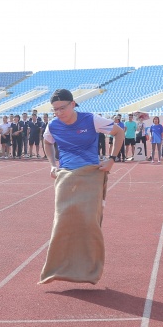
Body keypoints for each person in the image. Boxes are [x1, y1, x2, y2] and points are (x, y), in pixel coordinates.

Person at [38, 89, 124, 285]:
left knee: (89, 222)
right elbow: (47, 142)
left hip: (91, 174)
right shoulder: (53, 125)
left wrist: (111, 159)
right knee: (62, 221)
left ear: (73, 104)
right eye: (55, 109)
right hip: (66, 174)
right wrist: (52, 164)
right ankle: (58, 269)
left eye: (62, 108)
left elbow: (119, 132)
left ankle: (89, 270)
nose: (59, 113)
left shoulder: (91, 119)